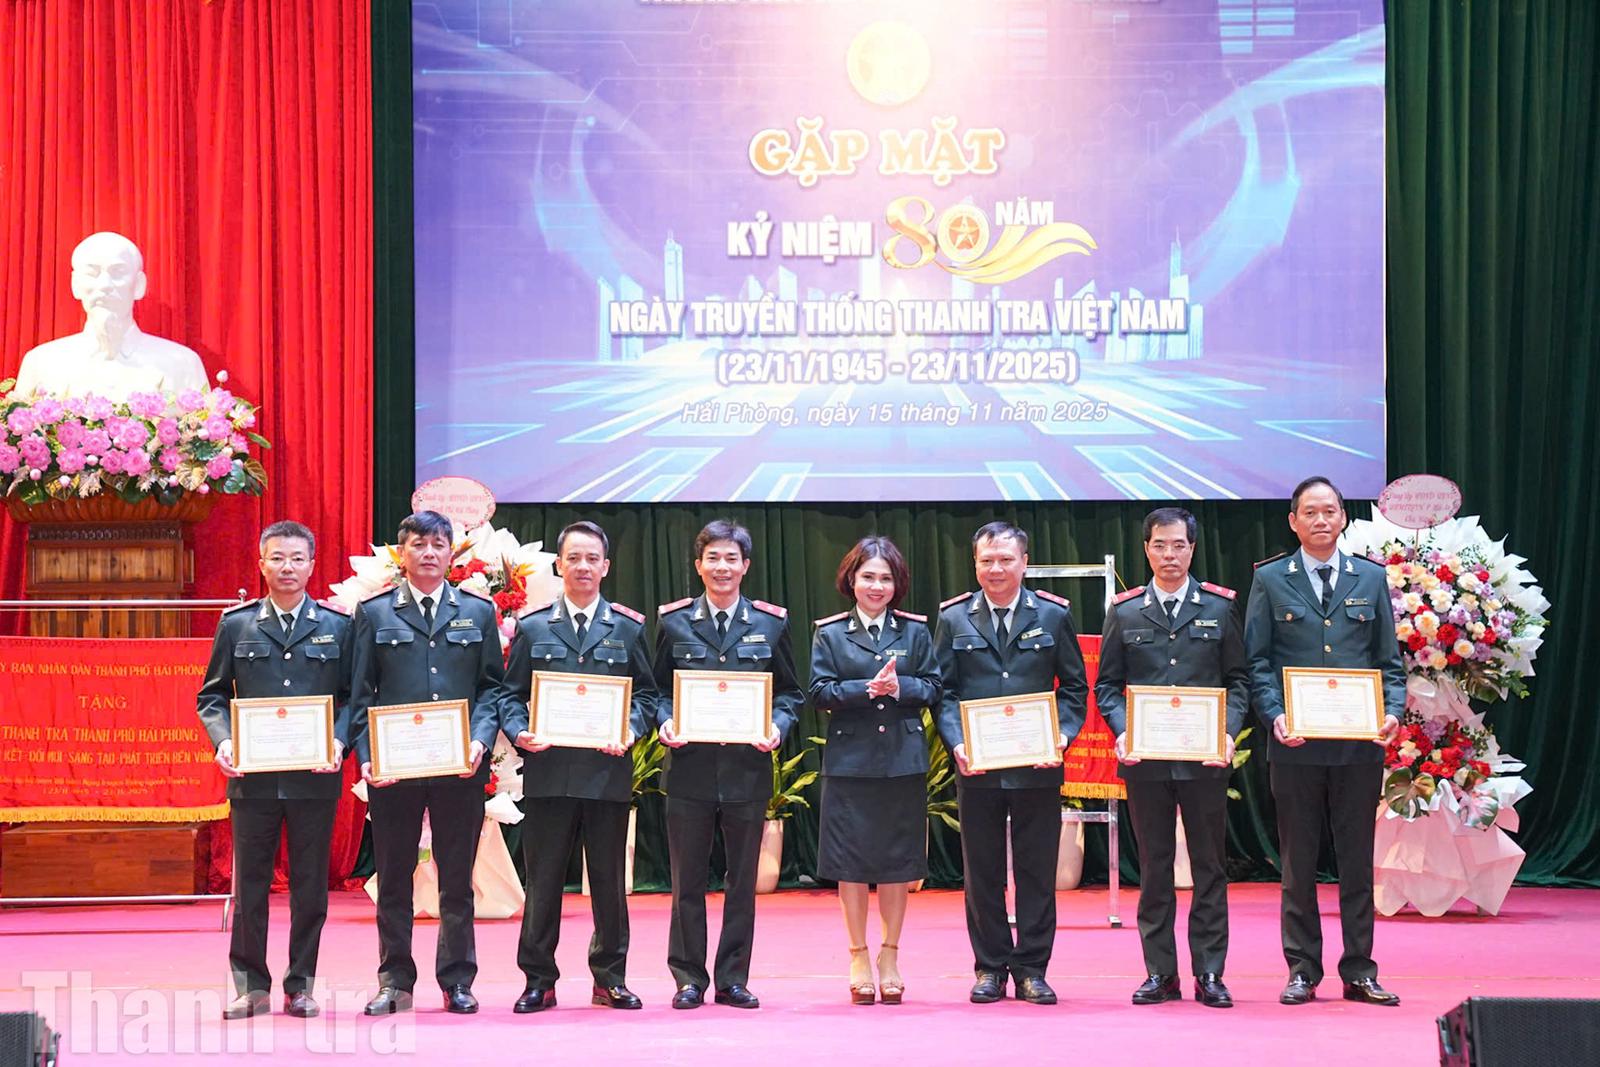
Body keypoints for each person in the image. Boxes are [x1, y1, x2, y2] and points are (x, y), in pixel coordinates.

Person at [1245, 476, 1405, 1008]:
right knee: (1298, 862)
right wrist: (1274, 715)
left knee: (1357, 861)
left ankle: (1359, 970)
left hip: (1358, 747)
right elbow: (1258, 662)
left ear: (1343, 518)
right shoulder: (1270, 579)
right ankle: (1302, 969)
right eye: (1309, 512)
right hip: (1295, 746)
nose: (1320, 520)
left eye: (1329, 511)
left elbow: (1389, 662)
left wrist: (1393, 712)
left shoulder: (1370, 577)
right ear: (1293, 521)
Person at [350, 510, 506, 1016]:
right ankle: (394, 981)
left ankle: (457, 979)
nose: (429, 553)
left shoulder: (477, 612)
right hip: (394, 769)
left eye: (439, 544)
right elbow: (360, 695)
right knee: (394, 877)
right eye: (419, 544)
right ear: (402, 553)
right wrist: (369, 756)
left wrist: (480, 740)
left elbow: (491, 688)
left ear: (451, 552)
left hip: (459, 767)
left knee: (456, 879)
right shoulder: (374, 613)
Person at [197, 521, 351, 1020]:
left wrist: (338, 740)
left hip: (314, 778)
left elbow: (354, 697)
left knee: (310, 888)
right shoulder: (236, 625)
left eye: (297, 558)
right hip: (254, 779)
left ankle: (300, 985)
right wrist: (224, 741)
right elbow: (212, 697)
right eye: (278, 558)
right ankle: (251, 987)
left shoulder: (338, 626)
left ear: (312, 565)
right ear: (261, 563)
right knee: (250, 887)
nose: (288, 567)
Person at [1097, 507, 1250, 1009]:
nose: (1169, 555)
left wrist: (1227, 733)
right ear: (1146, 549)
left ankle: (1210, 972)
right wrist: (1123, 731)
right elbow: (1107, 687)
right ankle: (1160, 972)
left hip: (1204, 761)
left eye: (1179, 545)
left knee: (1209, 866)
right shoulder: (1124, 612)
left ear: (1192, 549)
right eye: (1160, 545)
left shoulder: (1220, 608)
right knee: (1154, 867)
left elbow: (1239, 681)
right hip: (1146, 763)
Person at [501, 521, 656, 1013]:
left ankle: (610, 978)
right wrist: (520, 731)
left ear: (606, 567)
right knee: (543, 881)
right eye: (574, 558)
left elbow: (648, 696)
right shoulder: (533, 627)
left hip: (606, 773)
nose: (583, 566)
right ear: (559, 565)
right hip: (549, 773)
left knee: (608, 884)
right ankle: (538, 980)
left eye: (592, 558)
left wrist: (630, 728)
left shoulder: (628, 628)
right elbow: (509, 696)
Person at [933, 521, 1088, 1005]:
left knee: (1037, 871)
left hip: (1037, 766)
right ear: (975, 563)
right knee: (982, 873)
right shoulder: (954, 618)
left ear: (1024, 563)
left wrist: (1061, 736)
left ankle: (1032, 969)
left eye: (1005, 560)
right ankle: (990, 967)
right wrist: (958, 742)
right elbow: (944, 692)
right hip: (977, 766)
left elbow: (1075, 688)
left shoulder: (1053, 615)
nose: (996, 569)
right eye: (987, 561)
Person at [653, 519, 802, 1010]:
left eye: (731, 559)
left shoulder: (770, 623)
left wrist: (777, 725)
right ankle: (688, 978)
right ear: (698, 565)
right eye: (713, 558)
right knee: (687, 882)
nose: (722, 567)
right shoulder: (673, 622)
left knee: (742, 883)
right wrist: (665, 721)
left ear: (746, 566)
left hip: (746, 770)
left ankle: (733, 978)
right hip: (689, 769)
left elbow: (790, 693)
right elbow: (655, 691)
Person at [809, 536, 942, 1006]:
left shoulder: (915, 632)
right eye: (868, 576)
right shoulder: (829, 633)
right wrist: (866, 688)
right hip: (850, 764)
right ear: (851, 580)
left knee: (895, 863)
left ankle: (890, 955)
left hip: (902, 762)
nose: (876, 586)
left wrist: (900, 686)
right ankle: (858, 956)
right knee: (850, 863)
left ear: (897, 584)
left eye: (885, 578)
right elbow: (818, 691)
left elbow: (934, 687)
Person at [12, 231, 209, 398]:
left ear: (139, 285)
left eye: (118, 272)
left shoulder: (182, 364)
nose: (105, 285)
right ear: (75, 284)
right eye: (92, 273)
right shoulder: (41, 363)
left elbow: (202, 428)